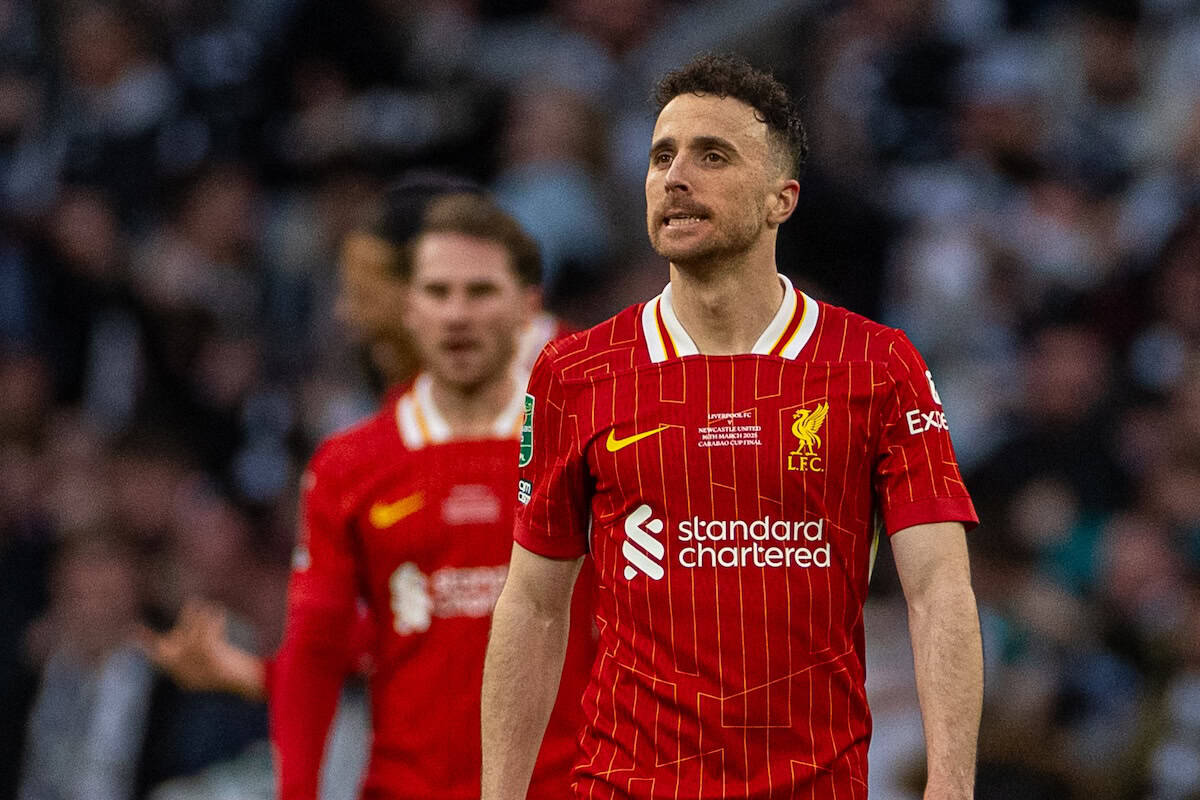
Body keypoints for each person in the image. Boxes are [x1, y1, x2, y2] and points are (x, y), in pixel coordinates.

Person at [481, 52, 983, 800]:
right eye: (661, 157)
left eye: (711, 156)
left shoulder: (877, 364)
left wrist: (951, 787)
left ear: (783, 198)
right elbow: (532, 603)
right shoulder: (574, 372)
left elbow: (938, 588)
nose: (675, 177)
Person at [143, 182, 593, 800]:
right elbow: (409, 616)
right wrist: (263, 675)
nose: (347, 313)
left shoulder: (597, 399)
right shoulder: (373, 447)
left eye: (362, 287)